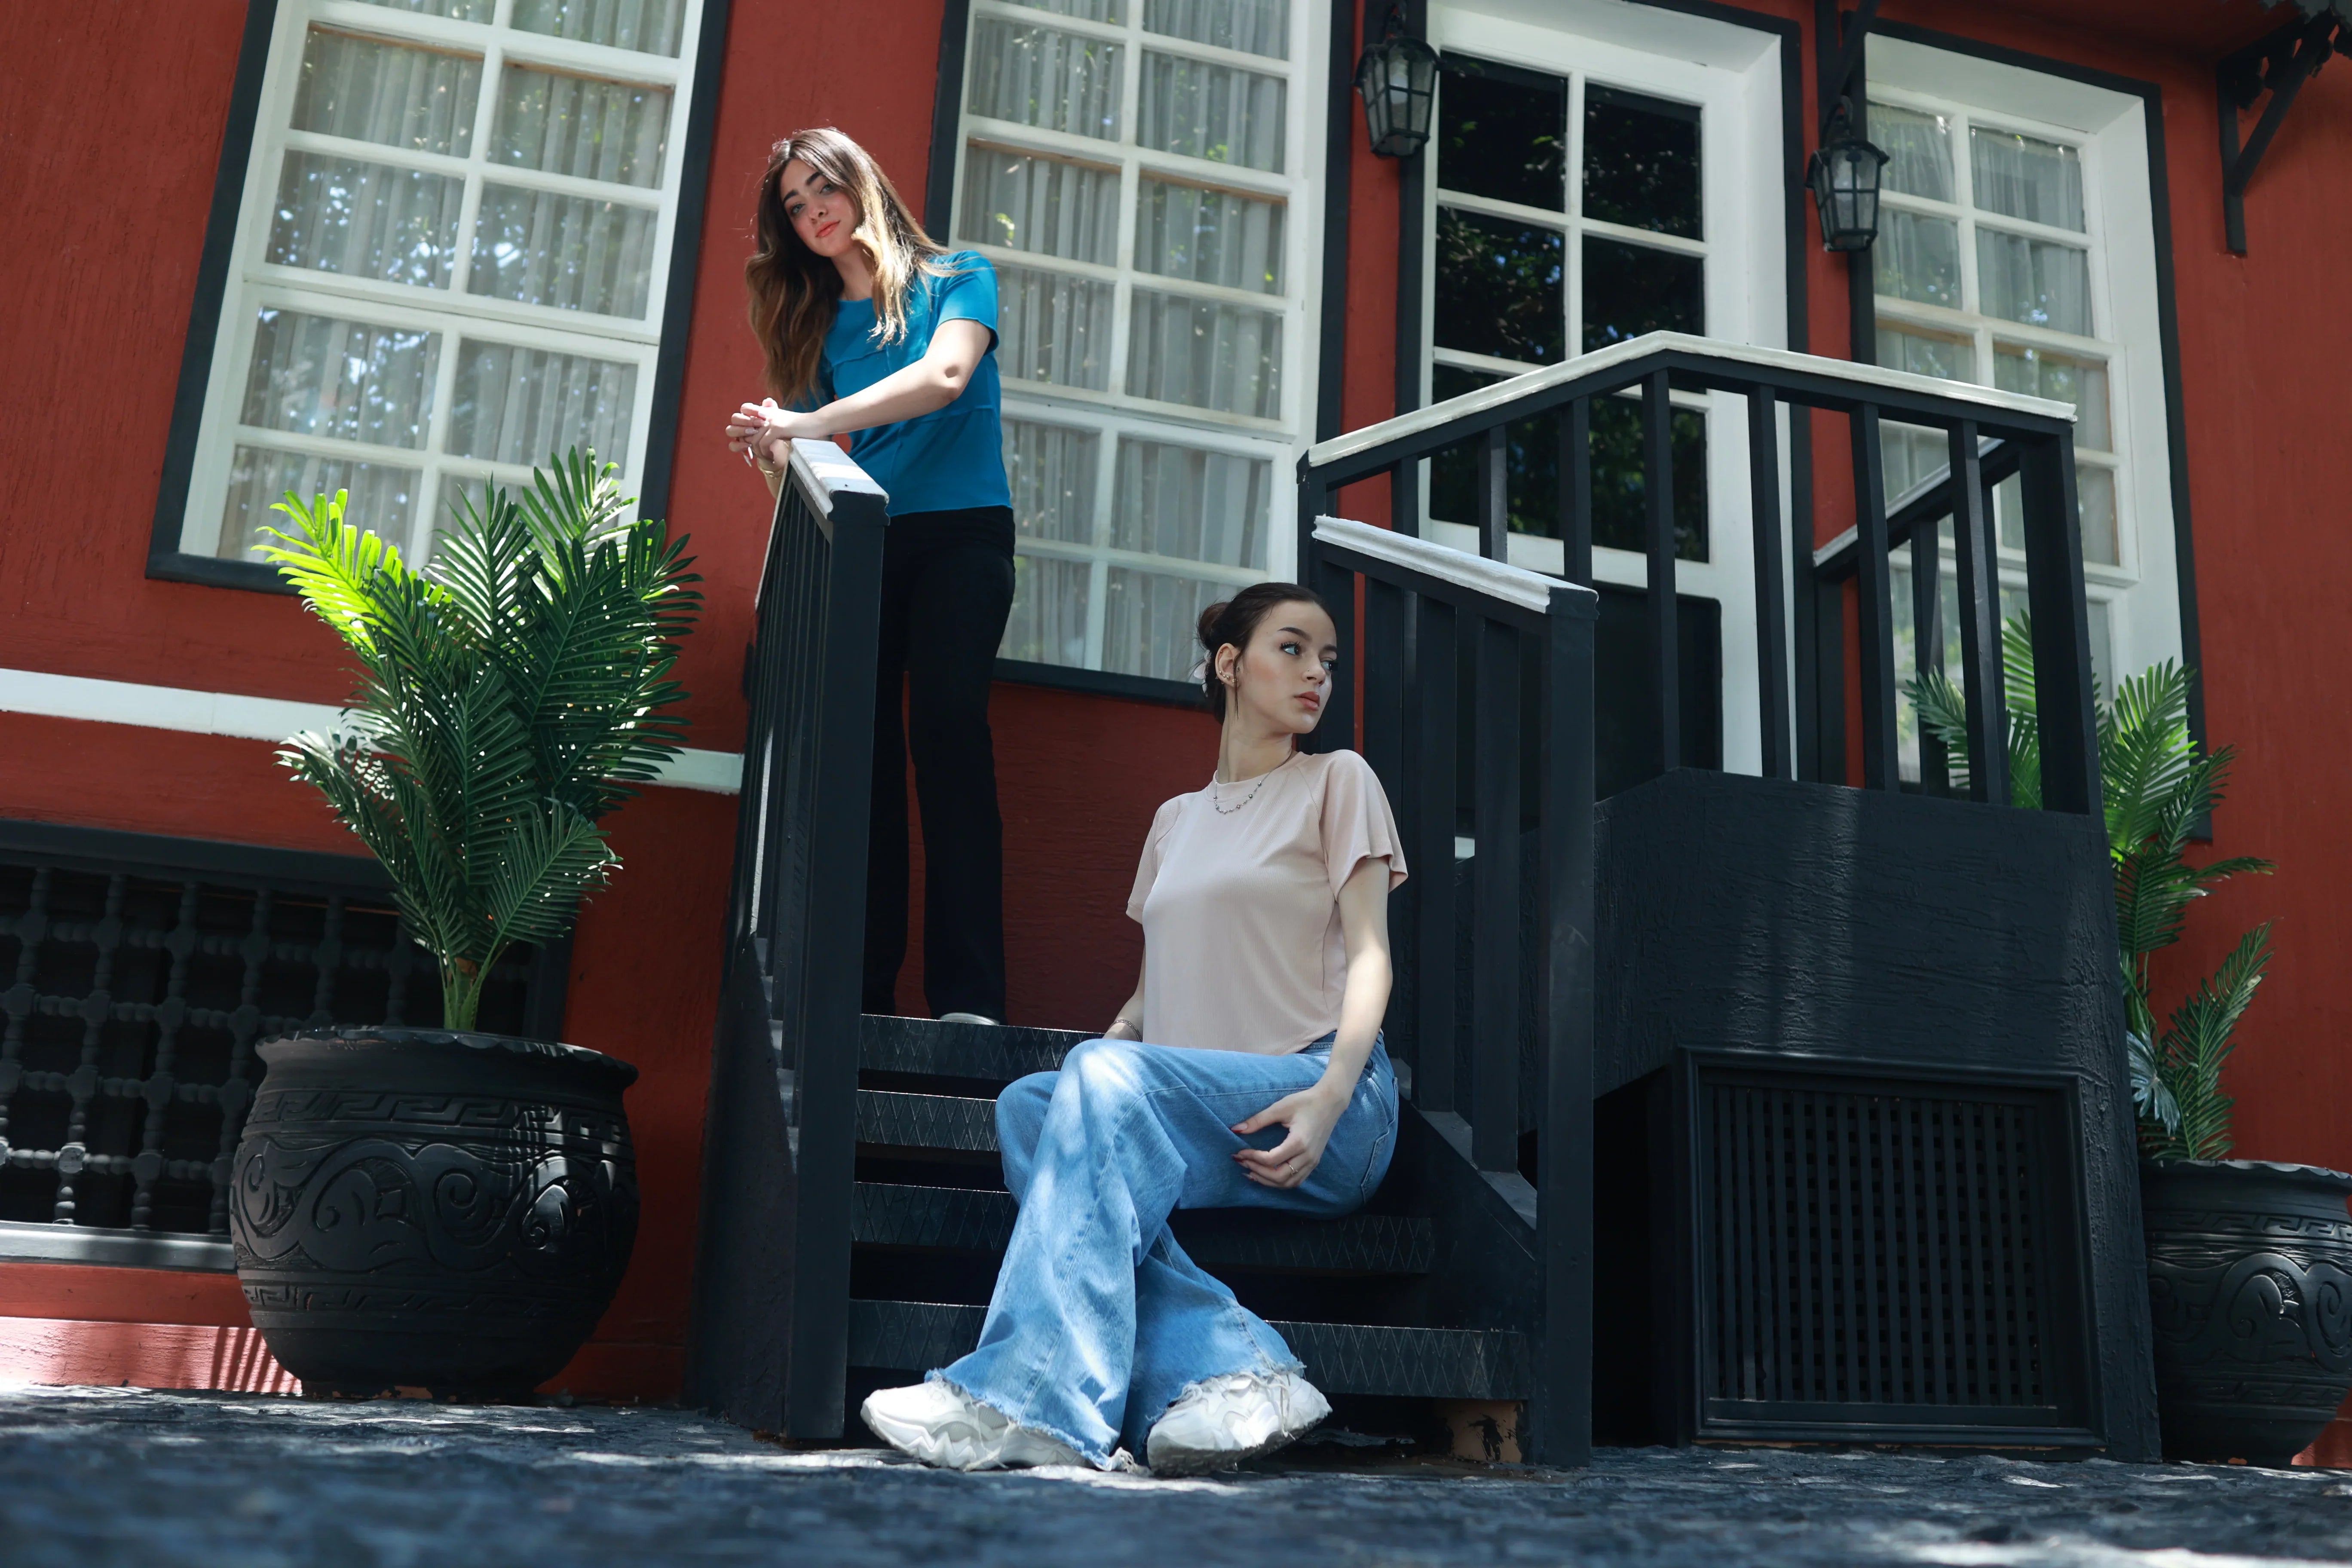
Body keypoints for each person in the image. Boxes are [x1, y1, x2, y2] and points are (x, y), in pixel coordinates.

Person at [859, 584, 1408, 1474]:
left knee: (1098, 1083)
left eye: (1329, 660)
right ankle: (1232, 1371)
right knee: (1031, 1106)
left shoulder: (1338, 781)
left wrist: (1330, 1096)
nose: (1318, 674)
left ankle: (1032, 1400)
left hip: (1323, 1097)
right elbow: (1150, 999)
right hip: (1206, 1109)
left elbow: (1374, 956)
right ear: (1230, 665)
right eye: (1293, 649)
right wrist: (1099, 1063)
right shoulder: (1173, 823)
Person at [728, 127, 1012, 1026]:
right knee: (867, 764)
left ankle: (970, 998)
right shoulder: (817, 329)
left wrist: (807, 424)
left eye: (824, 188)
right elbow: (810, 477)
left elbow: (946, 375)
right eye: (794, 205)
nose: (813, 211)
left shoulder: (959, 275)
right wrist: (775, 448)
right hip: (870, 543)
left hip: (964, 535)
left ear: (861, 182)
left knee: (949, 734)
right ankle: (863, 997)